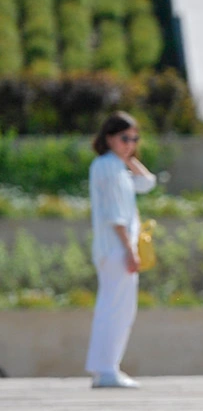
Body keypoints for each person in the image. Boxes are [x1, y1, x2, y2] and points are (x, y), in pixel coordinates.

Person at [85, 111, 157, 389]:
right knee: (116, 309)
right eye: (124, 138)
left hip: (116, 248)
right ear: (109, 138)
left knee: (117, 308)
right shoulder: (108, 166)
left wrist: (128, 157)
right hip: (116, 248)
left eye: (134, 139)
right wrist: (130, 251)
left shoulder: (115, 165)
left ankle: (106, 368)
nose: (130, 143)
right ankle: (106, 369)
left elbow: (147, 183)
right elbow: (115, 216)